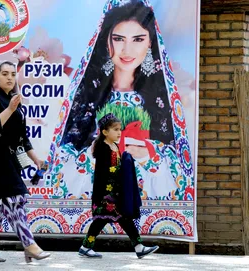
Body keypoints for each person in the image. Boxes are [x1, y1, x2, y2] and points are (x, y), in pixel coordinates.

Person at [47, 0, 194, 201]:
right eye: (118, 39)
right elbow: (59, 169)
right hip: (98, 196)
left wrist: (148, 153)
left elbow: (183, 176)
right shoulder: (88, 97)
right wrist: (93, 153)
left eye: (138, 40)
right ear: (107, 42)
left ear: (150, 42)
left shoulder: (160, 99)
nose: (127, 50)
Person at [0, 60, 50, 263]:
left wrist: (36, 159)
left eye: (12, 74)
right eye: (5, 74)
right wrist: (9, 109)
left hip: (8, 159)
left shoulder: (12, 98)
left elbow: (21, 136)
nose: (10, 77)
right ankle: (29, 244)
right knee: (15, 200)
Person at [78, 112, 158, 258]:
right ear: (104, 132)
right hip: (105, 194)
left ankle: (138, 247)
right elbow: (104, 172)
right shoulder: (102, 147)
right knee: (104, 221)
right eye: (115, 129)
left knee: (117, 219)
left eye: (120, 129)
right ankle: (137, 247)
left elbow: (117, 167)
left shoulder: (114, 146)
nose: (119, 132)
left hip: (115, 193)